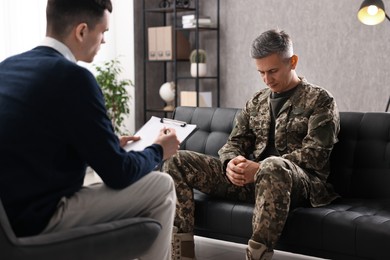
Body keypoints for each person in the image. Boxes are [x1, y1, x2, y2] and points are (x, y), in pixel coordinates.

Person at [0, 0, 180, 259]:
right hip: (38, 218)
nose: (104, 40)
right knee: (162, 185)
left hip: (8, 215)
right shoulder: (73, 77)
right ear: (82, 31)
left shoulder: (8, 67)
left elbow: (31, 148)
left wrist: (103, 146)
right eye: (103, 32)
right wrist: (158, 151)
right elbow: (118, 174)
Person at [163, 29, 340, 260]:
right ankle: (182, 256)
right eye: (261, 72)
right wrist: (231, 163)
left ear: (293, 61)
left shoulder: (321, 100)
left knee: (273, 165)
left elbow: (316, 154)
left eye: (273, 71)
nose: (267, 79)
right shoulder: (256, 101)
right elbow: (233, 143)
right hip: (252, 180)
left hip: (301, 184)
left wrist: (259, 168)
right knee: (177, 160)